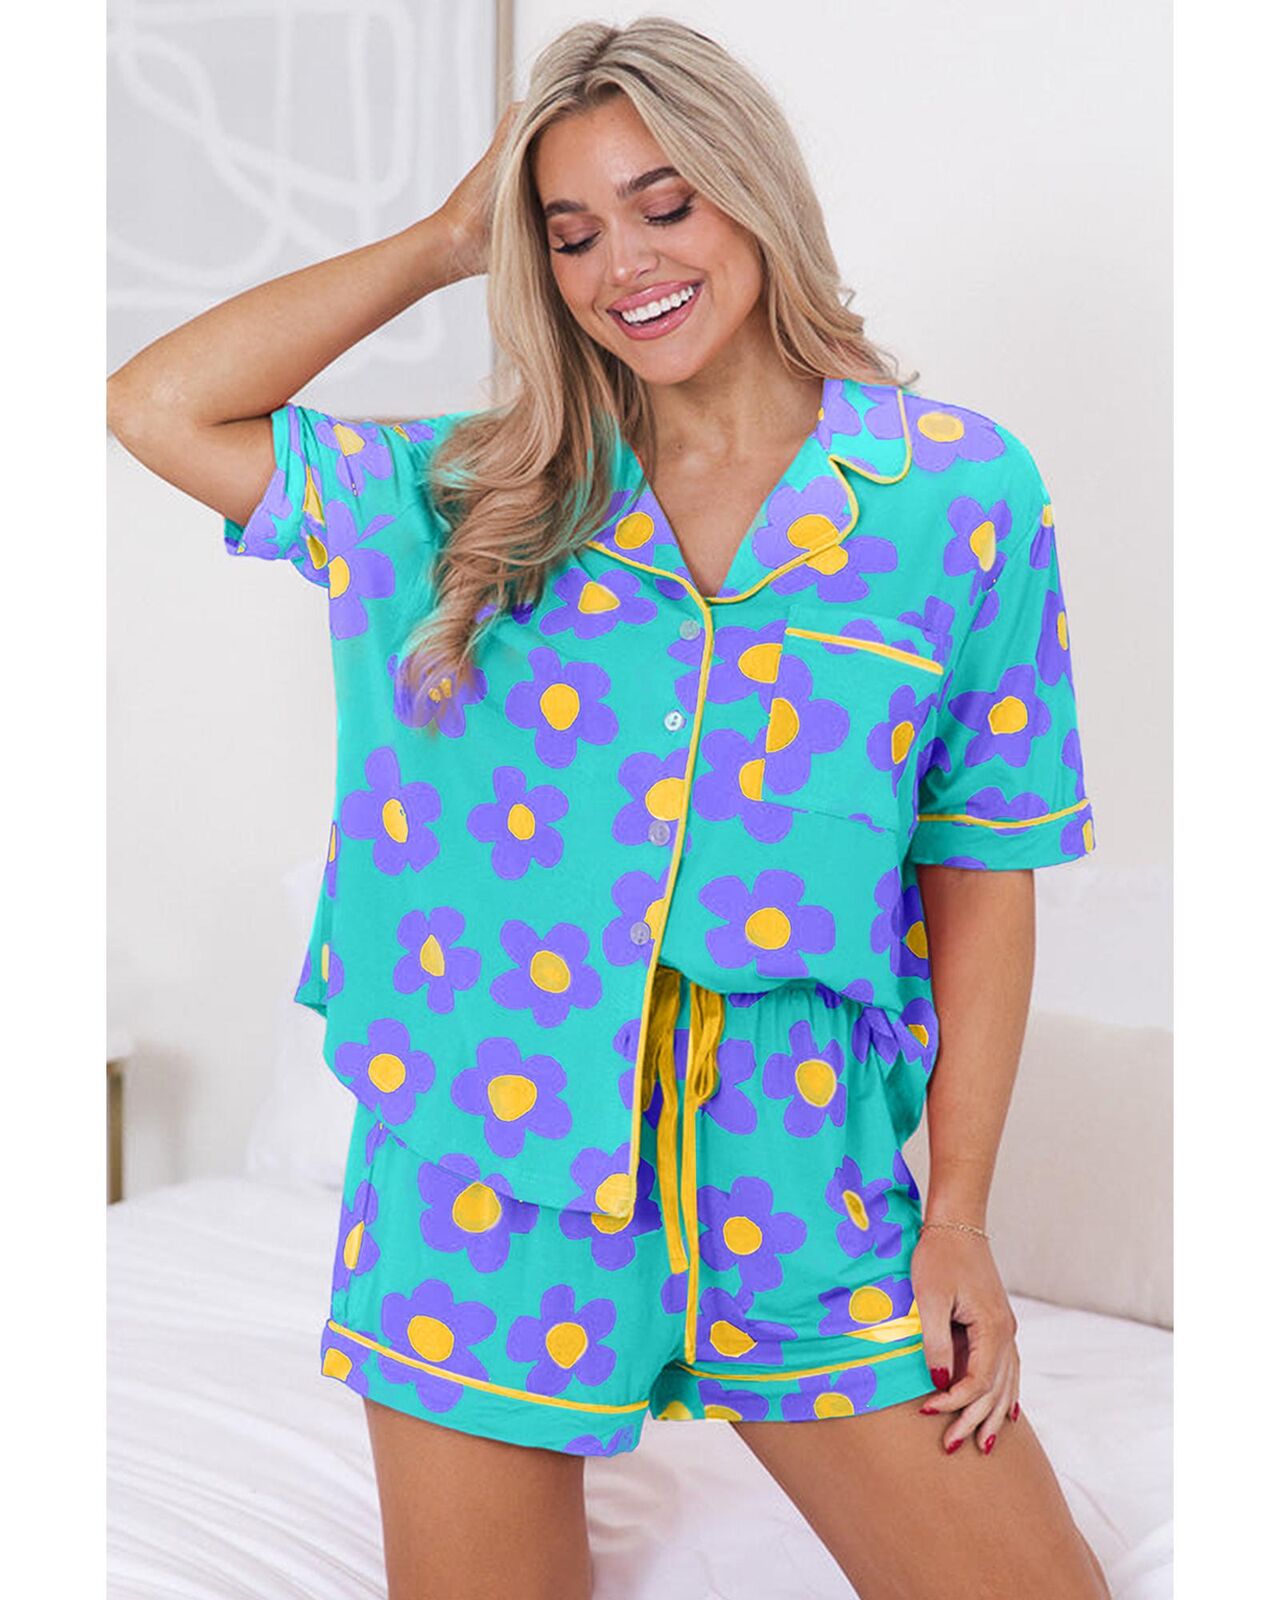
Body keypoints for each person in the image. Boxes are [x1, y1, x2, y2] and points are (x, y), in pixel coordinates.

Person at [106, 15, 1111, 1600]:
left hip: (795, 1163)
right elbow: (159, 406)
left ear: (753, 195)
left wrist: (961, 1221)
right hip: (481, 1167)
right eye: (569, 232)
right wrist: (449, 241)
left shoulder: (957, 496)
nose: (620, 265)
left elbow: (979, 867)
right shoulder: (480, 492)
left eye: (665, 205)